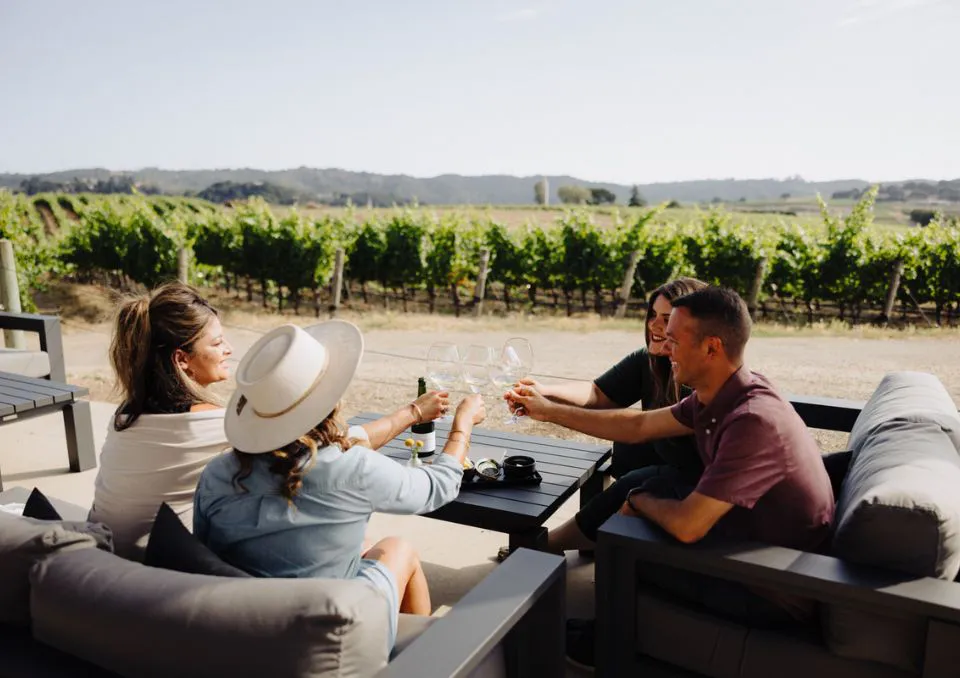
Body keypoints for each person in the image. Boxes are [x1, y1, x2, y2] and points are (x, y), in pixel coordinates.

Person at [508, 286, 835, 670]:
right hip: (744, 542)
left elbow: (688, 526)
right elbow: (641, 425)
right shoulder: (723, 392)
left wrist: (640, 503)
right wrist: (548, 410)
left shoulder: (753, 421)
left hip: (770, 586)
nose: (664, 348)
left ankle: (606, 649)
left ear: (712, 347)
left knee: (625, 543)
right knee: (637, 500)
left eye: (675, 340)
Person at [193, 321, 484, 653]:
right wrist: (463, 426)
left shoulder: (217, 473)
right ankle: (427, 657)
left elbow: (205, 552)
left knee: (366, 545)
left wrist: (411, 413)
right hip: (330, 632)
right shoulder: (352, 470)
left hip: (249, 629)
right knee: (399, 549)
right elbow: (437, 487)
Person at [514, 277, 707, 554]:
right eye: (652, 315)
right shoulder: (650, 361)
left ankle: (551, 544)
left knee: (638, 478)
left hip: (702, 486)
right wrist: (544, 390)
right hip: (673, 464)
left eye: (667, 319)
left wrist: (548, 411)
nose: (654, 325)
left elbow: (638, 426)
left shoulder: (698, 380)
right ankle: (603, 535)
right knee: (627, 454)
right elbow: (599, 393)